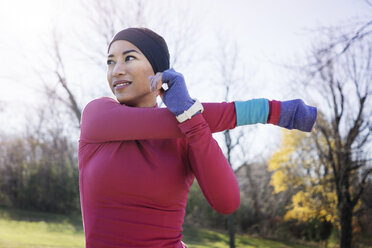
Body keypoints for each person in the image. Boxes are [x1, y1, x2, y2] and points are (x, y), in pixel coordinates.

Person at [78, 27, 317, 248]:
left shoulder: (189, 133)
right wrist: (274, 111)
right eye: (110, 62)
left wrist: (193, 122)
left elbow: (227, 202)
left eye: (129, 58)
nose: (116, 70)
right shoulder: (97, 115)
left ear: (158, 72)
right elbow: (167, 122)